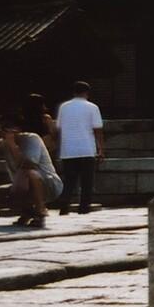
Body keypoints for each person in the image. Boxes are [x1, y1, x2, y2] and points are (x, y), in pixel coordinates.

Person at [0, 113, 63, 227]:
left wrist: (12, 144)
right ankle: (27, 212)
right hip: (22, 185)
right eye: (1, 129)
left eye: (7, 128)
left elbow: (28, 165)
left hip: (49, 185)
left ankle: (40, 212)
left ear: (18, 129)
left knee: (28, 174)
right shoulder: (2, 143)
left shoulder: (31, 139)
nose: (3, 132)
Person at [55, 81, 104, 215]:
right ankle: (84, 207)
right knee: (87, 181)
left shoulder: (64, 107)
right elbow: (98, 130)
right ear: (87, 92)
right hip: (86, 148)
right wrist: (101, 149)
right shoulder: (92, 107)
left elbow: (59, 128)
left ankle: (64, 204)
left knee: (69, 180)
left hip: (68, 149)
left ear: (74, 92)